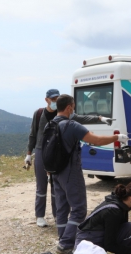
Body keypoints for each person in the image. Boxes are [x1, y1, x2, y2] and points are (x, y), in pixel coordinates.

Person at [50, 94, 127, 254]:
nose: (74, 110)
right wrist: (116, 137)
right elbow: (96, 140)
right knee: (79, 209)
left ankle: (62, 239)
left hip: (56, 172)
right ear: (70, 107)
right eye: (74, 107)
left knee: (62, 208)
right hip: (71, 172)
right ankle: (65, 244)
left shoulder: (50, 124)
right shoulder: (70, 125)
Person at [26, 89, 113, 228]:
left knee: (56, 187)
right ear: (46, 99)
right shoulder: (39, 114)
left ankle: (57, 216)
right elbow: (33, 134)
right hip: (41, 151)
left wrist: (100, 118)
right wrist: (29, 154)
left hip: (57, 152)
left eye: (57, 98)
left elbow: (81, 118)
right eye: (52, 99)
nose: (55, 101)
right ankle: (40, 215)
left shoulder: (62, 113)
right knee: (41, 186)